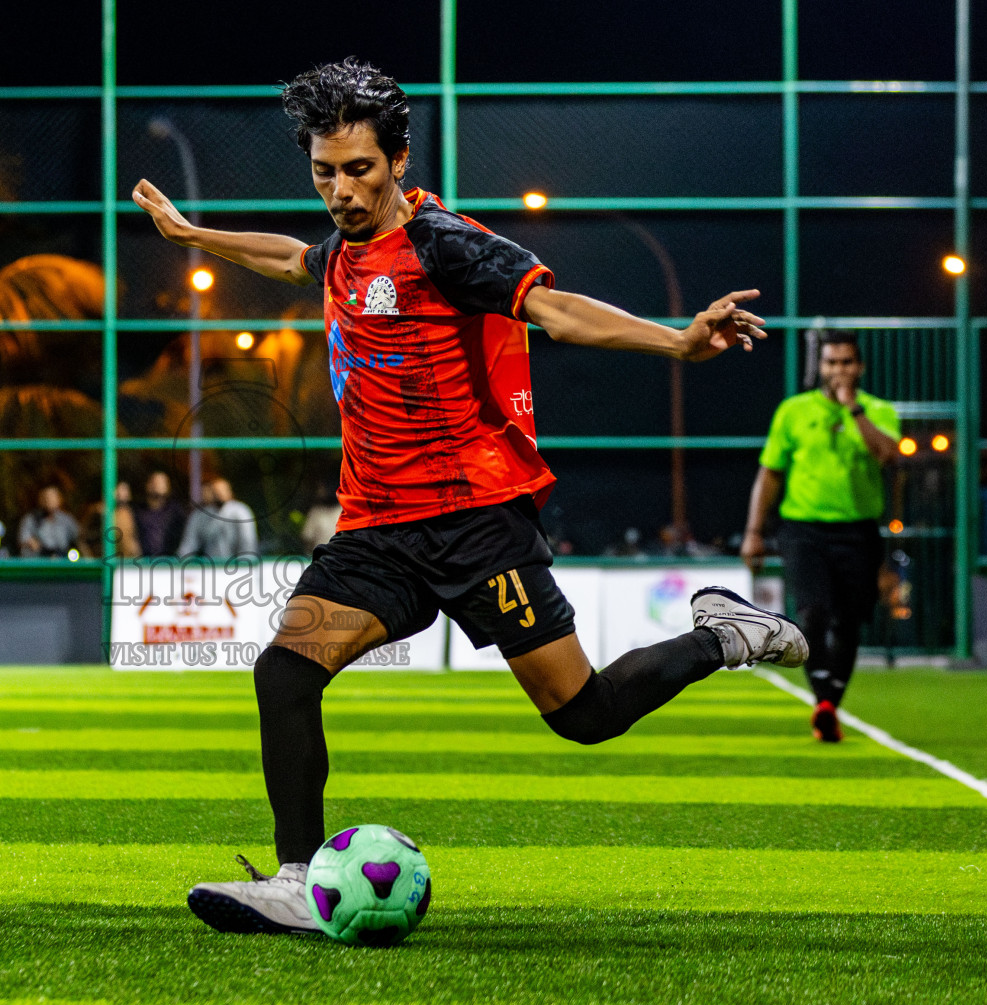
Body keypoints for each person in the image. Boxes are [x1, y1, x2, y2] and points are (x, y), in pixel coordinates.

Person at [132, 57, 807, 935]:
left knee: (584, 715)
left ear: (400, 160)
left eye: (359, 170)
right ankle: (300, 877)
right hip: (376, 532)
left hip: (477, 524)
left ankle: (724, 636)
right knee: (285, 672)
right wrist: (192, 235)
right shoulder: (344, 249)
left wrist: (677, 343)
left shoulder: (445, 245)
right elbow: (296, 257)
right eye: (324, 171)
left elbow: (558, 312)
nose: (340, 189)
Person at [741, 330, 899, 742]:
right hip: (803, 529)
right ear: (820, 366)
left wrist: (854, 410)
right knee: (813, 611)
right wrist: (754, 532)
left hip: (858, 530)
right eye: (831, 362)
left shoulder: (878, 410)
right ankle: (825, 703)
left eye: (846, 362)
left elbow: (886, 454)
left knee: (849, 621)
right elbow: (770, 473)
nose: (838, 370)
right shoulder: (793, 411)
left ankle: (828, 702)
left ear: (859, 367)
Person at [177, 477, 259, 559]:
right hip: (212, 565)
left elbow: (248, 541)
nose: (219, 494)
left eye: (223, 490)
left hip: (237, 565)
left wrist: (245, 563)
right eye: (216, 491)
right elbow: (189, 543)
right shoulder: (201, 515)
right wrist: (182, 561)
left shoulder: (241, 511)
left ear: (229, 492)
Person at [18, 485, 80, 557]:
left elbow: (79, 537)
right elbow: (23, 539)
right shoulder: (31, 519)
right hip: (40, 560)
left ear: (59, 500)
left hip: (62, 558)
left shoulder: (66, 519)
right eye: (46, 498)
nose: (48, 501)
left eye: (52, 498)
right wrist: (31, 542)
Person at [134, 470, 187, 557]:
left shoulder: (176, 512)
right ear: (147, 485)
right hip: (143, 563)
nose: (156, 486)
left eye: (161, 482)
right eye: (154, 482)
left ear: (168, 487)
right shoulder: (137, 511)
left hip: (168, 563)